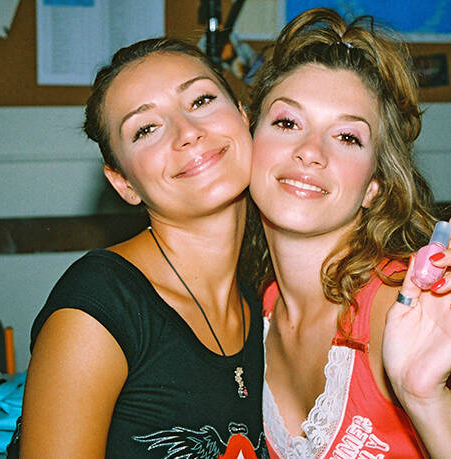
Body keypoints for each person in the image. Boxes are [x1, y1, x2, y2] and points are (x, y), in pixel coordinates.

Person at [247, 8, 451, 458]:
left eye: (347, 137)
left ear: (373, 186)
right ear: (250, 141)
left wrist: (426, 400)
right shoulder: (257, 310)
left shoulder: (397, 307)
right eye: (287, 123)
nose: (310, 151)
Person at [18, 38, 268, 458]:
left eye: (201, 100)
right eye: (146, 129)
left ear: (243, 117)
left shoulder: (267, 297)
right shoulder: (98, 307)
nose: (188, 132)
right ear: (123, 183)